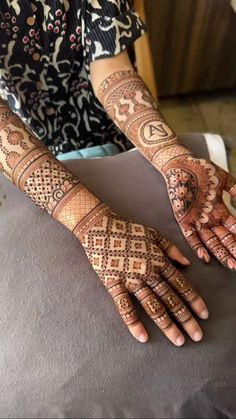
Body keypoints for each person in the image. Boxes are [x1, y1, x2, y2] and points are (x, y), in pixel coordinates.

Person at [0, 0, 235, 346]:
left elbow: (110, 67)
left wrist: (170, 154)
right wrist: (94, 223)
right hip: (32, 143)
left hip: (116, 130)